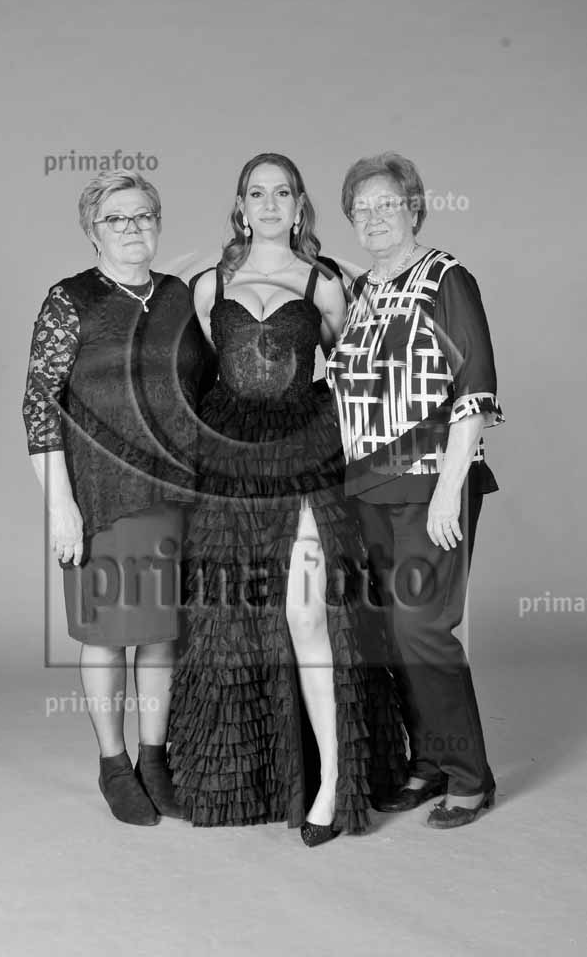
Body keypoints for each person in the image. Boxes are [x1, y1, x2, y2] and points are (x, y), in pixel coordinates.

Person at [168, 152, 407, 846]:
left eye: (282, 192)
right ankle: (258, 778)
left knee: (307, 614)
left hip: (304, 451)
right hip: (230, 458)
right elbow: (197, 371)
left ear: (299, 206)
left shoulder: (323, 282)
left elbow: (355, 368)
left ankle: (332, 782)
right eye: (256, 193)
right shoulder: (207, 285)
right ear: (240, 207)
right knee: (236, 615)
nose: (269, 203)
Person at [23, 170, 209, 825]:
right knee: (107, 636)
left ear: (158, 224)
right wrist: (60, 507)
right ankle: (113, 761)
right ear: (92, 231)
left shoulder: (180, 297)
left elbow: (209, 389)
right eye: (115, 219)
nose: (131, 228)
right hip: (100, 499)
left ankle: (154, 759)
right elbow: (40, 408)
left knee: (161, 634)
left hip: (175, 495)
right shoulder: (70, 299)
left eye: (142, 216)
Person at [326, 151, 503, 828]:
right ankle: (428, 762)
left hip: (432, 479)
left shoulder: (445, 278)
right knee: (392, 634)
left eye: (386, 205)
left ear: (414, 209)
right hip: (367, 488)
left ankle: (469, 776)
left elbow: (474, 390)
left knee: (421, 627)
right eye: (360, 209)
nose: (373, 217)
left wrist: (448, 490)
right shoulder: (361, 291)